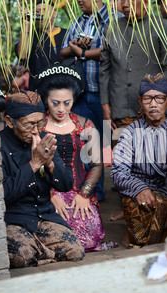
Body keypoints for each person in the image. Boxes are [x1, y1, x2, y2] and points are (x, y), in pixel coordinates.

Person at [37, 60, 118, 251]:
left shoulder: (85, 124)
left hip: (80, 190)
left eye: (67, 103)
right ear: (45, 100)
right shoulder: (37, 126)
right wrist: (49, 195)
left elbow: (97, 166)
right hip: (46, 192)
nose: (61, 109)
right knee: (60, 236)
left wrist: (84, 194)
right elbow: (33, 165)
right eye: (55, 103)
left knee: (88, 237)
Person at [0, 90, 84, 268]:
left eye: (40, 123)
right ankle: (45, 253)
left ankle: (41, 253)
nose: (36, 130)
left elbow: (67, 184)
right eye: (29, 125)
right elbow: (3, 194)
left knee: (76, 250)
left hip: (43, 215)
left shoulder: (44, 138)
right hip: (14, 219)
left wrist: (50, 163)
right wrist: (35, 164)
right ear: (9, 121)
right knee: (23, 256)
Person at [111, 73, 167, 248]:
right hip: (142, 194)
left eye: (159, 99)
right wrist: (140, 189)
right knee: (135, 205)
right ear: (140, 101)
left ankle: (152, 234)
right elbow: (117, 172)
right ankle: (150, 235)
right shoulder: (129, 132)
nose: (153, 104)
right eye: (148, 99)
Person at [99, 0, 167, 131]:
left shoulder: (162, 26)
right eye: (122, 1)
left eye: (129, 1)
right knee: (120, 150)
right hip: (120, 109)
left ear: (146, 2)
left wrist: (154, 100)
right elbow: (104, 69)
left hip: (154, 111)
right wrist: (105, 104)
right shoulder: (111, 28)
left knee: (153, 150)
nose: (124, 5)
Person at [60, 0, 112, 202]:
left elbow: (112, 52)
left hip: (105, 95)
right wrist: (74, 47)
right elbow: (63, 51)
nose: (79, 1)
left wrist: (83, 52)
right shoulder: (76, 22)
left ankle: (115, 193)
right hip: (80, 93)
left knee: (109, 143)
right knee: (87, 144)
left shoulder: (113, 20)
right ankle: (93, 192)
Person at [16, 0, 66, 91]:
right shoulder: (29, 36)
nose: (41, 14)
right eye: (38, 12)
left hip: (65, 88)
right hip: (39, 90)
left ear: (54, 13)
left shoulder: (67, 34)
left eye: (45, 10)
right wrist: (25, 25)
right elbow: (22, 56)